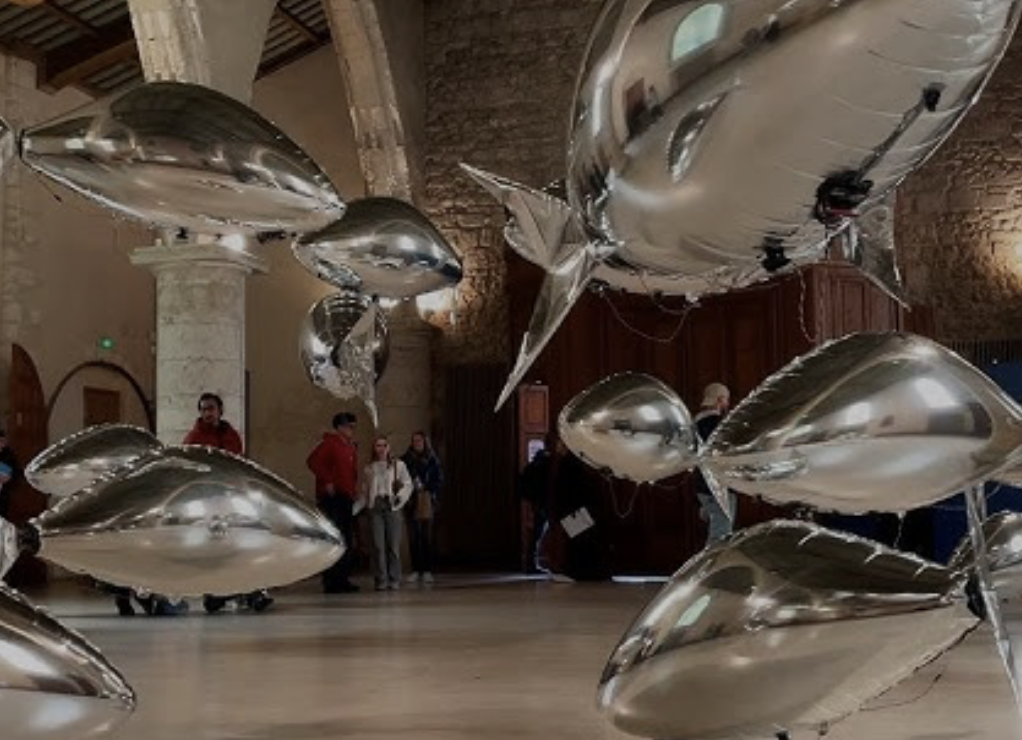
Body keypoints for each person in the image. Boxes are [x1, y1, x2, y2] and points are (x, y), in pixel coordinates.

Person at [184, 392, 273, 614]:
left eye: (211, 408)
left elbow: (238, 464)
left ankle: (252, 592)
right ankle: (216, 593)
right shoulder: (193, 439)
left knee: (240, 547)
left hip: (231, 499)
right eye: (203, 409)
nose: (207, 413)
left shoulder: (231, 435)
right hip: (208, 502)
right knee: (214, 551)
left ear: (220, 411)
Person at [307, 411, 362, 593]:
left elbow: (351, 473)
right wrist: (328, 481)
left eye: (353, 426)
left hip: (345, 496)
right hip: (333, 497)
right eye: (348, 426)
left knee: (346, 538)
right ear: (339, 427)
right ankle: (331, 581)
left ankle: (342, 579)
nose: (352, 429)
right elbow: (313, 462)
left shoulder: (350, 446)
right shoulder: (330, 443)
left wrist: (354, 492)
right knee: (335, 538)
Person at [361, 436, 412, 591]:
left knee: (393, 545)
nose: (381, 448)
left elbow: (408, 484)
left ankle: (394, 579)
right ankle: (380, 579)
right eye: (378, 445)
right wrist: (357, 508)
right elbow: (365, 489)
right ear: (374, 448)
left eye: (384, 445)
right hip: (375, 506)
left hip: (392, 505)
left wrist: (400, 497)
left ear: (388, 447)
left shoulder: (399, 465)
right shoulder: (369, 467)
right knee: (378, 545)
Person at [694, 382, 735, 546]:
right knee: (721, 536)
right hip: (719, 485)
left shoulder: (694, 423)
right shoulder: (719, 424)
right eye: (726, 399)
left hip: (701, 485)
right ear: (719, 400)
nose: (727, 404)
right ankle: (711, 570)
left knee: (717, 528)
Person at [401, 431, 442, 584]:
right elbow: (400, 478)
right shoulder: (405, 460)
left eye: (420, 440)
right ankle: (415, 570)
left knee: (426, 537)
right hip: (411, 501)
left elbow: (439, 480)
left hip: (426, 501)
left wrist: (427, 488)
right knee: (413, 537)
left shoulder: (432, 459)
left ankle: (427, 570)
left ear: (425, 442)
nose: (417, 443)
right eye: (414, 440)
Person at [518, 438, 552, 574]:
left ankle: (530, 564)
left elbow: (523, 486)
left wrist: (531, 500)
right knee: (551, 532)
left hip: (537, 503)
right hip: (546, 502)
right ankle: (555, 562)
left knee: (536, 534)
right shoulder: (548, 465)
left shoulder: (531, 466)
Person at [0, 428, 21, 522]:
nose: (2, 444)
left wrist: (9, 478)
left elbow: (17, 472)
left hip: (3, 495)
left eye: (3, 441)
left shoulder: (8, 454)